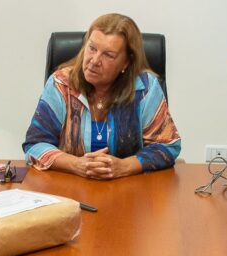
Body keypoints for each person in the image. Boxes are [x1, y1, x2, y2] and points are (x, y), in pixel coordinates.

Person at [23, 13, 181, 180]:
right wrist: (76, 165)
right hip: (70, 188)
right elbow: (35, 144)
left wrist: (125, 166)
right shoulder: (61, 84)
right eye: (92, 48)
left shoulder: (145, 88)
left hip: (129, 190)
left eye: (108, 55)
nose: (94, 60)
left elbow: (167, 146)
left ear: (126, 63)